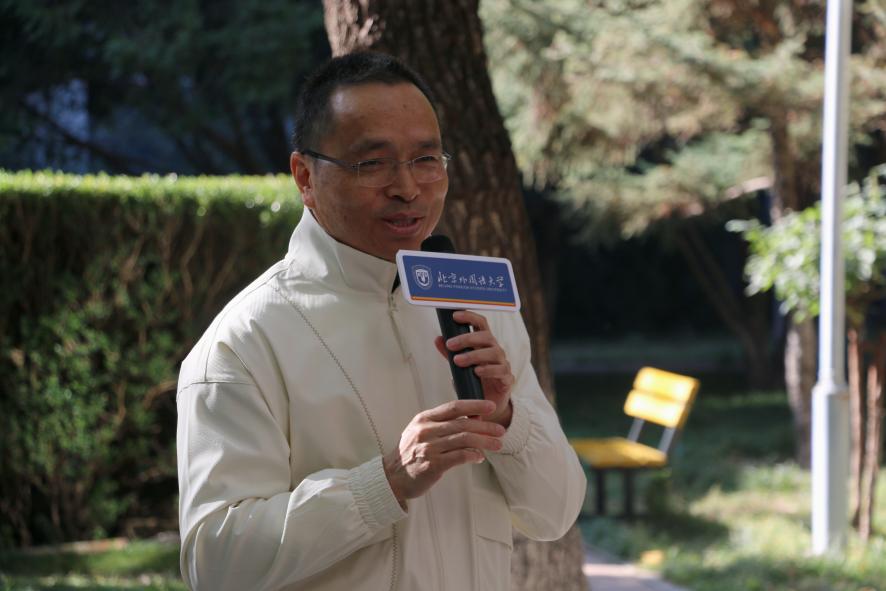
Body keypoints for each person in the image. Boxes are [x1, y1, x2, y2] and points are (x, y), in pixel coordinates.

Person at [176, 51, 585, 591]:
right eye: (372, 164)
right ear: (305, 176)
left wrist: (508, 420)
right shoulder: (245, 341)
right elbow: (214, 562)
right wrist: (386, 482)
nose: (407, 187)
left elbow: (556, 514)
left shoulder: (477, 310)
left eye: (426, 159)